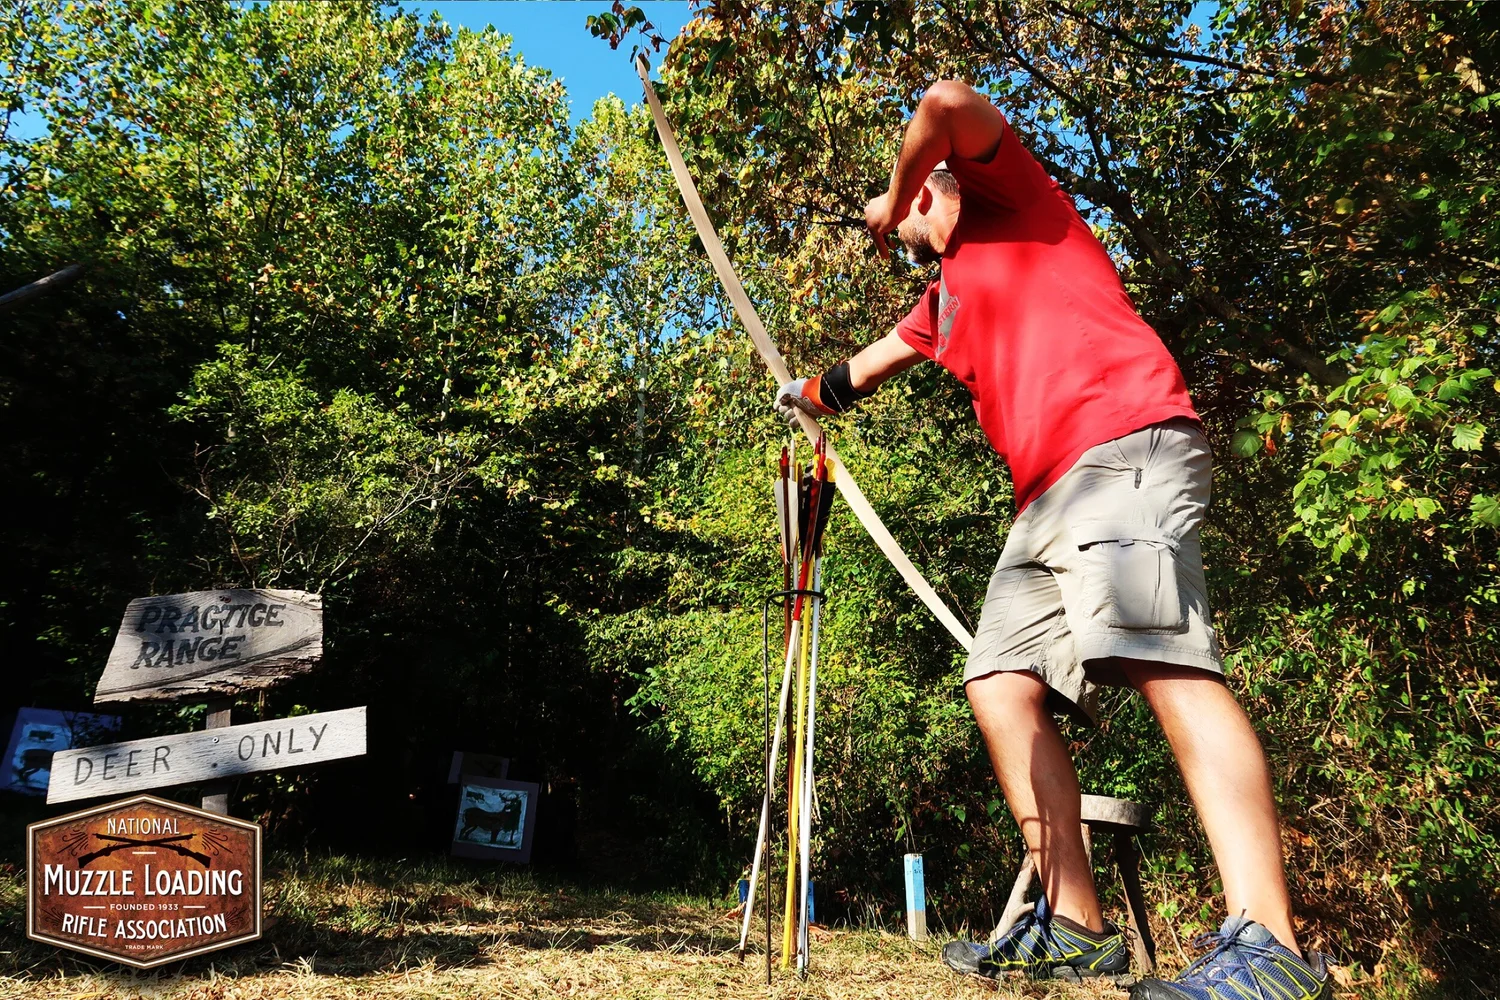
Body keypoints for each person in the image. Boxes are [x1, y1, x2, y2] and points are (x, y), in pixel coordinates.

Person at [774, 80, 1331, 1000]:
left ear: (936, 190)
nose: (907, 239)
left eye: (913, 219)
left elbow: (947, 103)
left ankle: (1269, 945)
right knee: (998, 680)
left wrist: (890, 192)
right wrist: (806, 395)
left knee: (1164, 659)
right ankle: (1074, 923)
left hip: (1122, 447)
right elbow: (859, 370)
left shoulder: (1013, 199)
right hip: (1045, 499)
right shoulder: (942, 301)